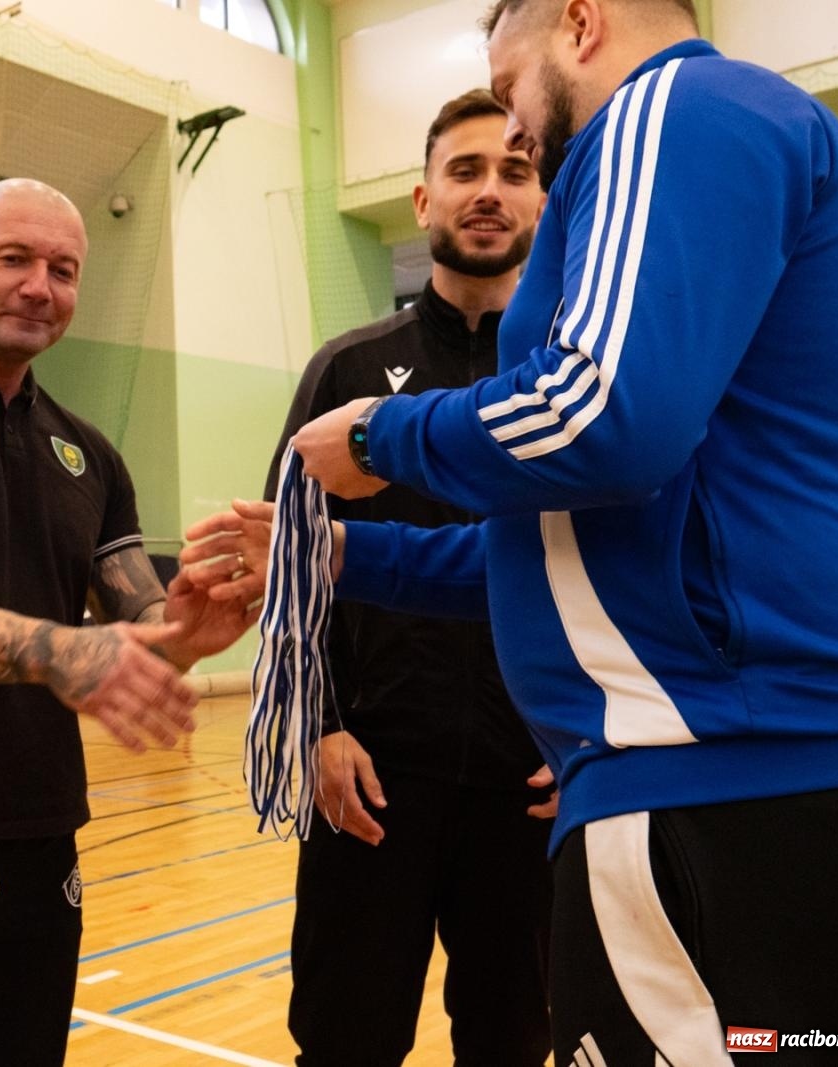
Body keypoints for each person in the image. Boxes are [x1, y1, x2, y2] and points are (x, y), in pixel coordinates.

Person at [200, 0, 838, 1060]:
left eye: (510, 89)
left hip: (717, 774)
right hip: (734, 768)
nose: (517, 132)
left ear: (580, 21)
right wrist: (345, 550)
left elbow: (604, 415)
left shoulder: (673, 106)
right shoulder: (727, 137)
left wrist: (384, 436)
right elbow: (574, 547)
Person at [0, 178, 257, 1066]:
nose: (40, 286)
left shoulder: (91, 453)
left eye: (64, 269)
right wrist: (57, 649)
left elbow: (134, 618)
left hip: (36, 820)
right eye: (15, 259)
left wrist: (188, 632)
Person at [261, 89, 552, 1067]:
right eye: (464, 171)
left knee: (515, 1042)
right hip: (370, 780)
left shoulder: (570, 377)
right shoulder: (345, 371)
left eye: (513, 171)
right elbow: (290, 564)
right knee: (345, 1040)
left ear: (543, 200)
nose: (488, 191)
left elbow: (609, 569)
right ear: (423, 200)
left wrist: (588, 738)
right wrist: (318, 724)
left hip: (531, 786)